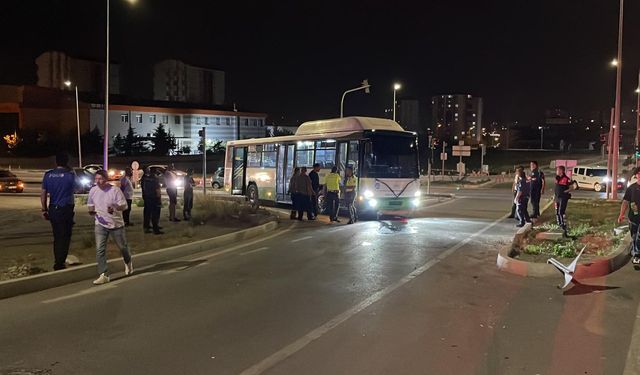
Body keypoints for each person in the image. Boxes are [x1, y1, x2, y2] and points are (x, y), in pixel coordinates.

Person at [87, 170, 133, 285]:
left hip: (116, 224)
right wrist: (92, 212)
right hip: (100, 224)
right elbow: (90, 206)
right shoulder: (93, 190)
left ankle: (128, 262)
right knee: (100, 249)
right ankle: (104, 274)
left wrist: (115, 207)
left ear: (106, 179)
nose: (98, 181)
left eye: (100, 179)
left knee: (122, 247)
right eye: (96, 179)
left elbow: (124, 206)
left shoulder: (115, 190)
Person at [41, 152, 77, 271]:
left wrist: (44, 209)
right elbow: (78, 188)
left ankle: (58, 260)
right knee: (65, 236)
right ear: (67, 162)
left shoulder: (48, 175)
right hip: (65, 208)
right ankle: (59, 262)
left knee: (57, 236)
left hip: (52, 208)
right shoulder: (70, 175)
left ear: (56, 162)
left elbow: (43, 194)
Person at [619, 167, 640, 264]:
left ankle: (637, 255)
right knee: (634, 236)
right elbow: (625, 202)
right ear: (636, 175)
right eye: (639, 174)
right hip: (633, 218)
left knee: (639, 236)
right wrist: (621, 214)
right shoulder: (631, 188)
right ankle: (635, 252)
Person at [141, 166, 163, 234]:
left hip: (147, 197)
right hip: (154, 198)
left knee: (147, 213)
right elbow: (157, 190)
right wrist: (159, 199)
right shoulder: (155, 179)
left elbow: (143, 188)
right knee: (155, 214)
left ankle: (146, 227)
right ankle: (155, 229)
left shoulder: (146, 179)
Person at [554, 165, 573, 237]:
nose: (557, 171)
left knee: (561, 211)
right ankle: (559, 224)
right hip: (557, 197)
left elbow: (572, 187)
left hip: (563, 198)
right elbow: (556, 188)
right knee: (556, 212)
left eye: (558, 170)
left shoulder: (566, 179)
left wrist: (566, 191)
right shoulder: (557, 178)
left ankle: (563, 224)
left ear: (561, 171)